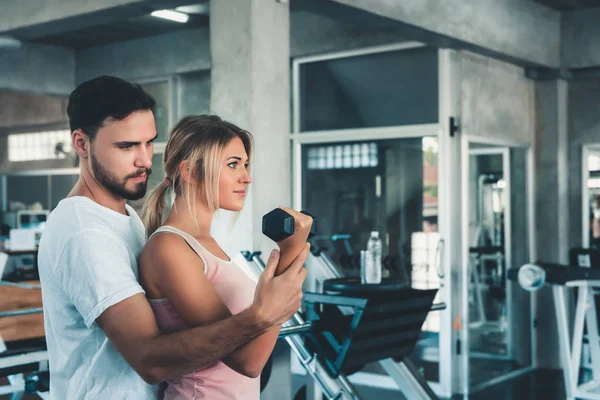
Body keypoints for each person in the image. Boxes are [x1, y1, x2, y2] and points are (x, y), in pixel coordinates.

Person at [37, 75, 308, 399]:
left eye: (149, 143)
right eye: (126, 146)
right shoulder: (83, 230)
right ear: (81, 143)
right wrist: (262, 315)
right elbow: (150, 359)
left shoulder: (125, 220)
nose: (143, 159)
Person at [139, 115, 313, 399]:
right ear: (190, 172)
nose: (246, 176)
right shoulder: (170, 248)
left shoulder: (206, 245)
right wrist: (290, 253)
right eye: (233, 164)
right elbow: (248, 362)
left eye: (245, 164)